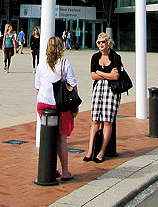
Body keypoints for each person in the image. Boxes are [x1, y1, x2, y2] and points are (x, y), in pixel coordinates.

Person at [34, 36, 77, 181]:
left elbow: (37, 87)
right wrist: (74, 106)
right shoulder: (65, 64)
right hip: (61, 105)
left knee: (48, 136)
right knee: (61, 139)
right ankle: (65, 171)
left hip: (43, 104)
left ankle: (49, 168)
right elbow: (72, 85)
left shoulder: (41, 65)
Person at [83, 32, 123, 163]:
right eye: (99, 42)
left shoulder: (115, 57)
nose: (101, 44)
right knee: (95, 120)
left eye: (103, 42)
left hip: (111, 90)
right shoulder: (95, 57)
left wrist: (100, 73)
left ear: (108, 43)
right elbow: (93, 75)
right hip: (98, 89)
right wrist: (107, 74)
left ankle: (101, 151)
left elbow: (115, 76)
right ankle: (90, 151)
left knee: (107, 121)